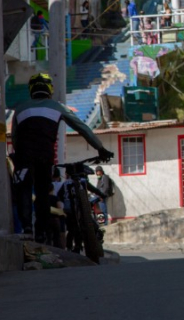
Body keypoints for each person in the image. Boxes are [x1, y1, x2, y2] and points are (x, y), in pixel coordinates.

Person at [11, 73, 113, 243]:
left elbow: (14, 136)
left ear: (31, 89)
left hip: (23, 156)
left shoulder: (20, 108)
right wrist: (100, 148)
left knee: (24, 190)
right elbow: (82, 128)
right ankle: (41, 233)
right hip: (45, 156)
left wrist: (20, 153)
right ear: (50, 89)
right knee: (43, 193)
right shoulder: (57, 107)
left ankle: (27, 229)